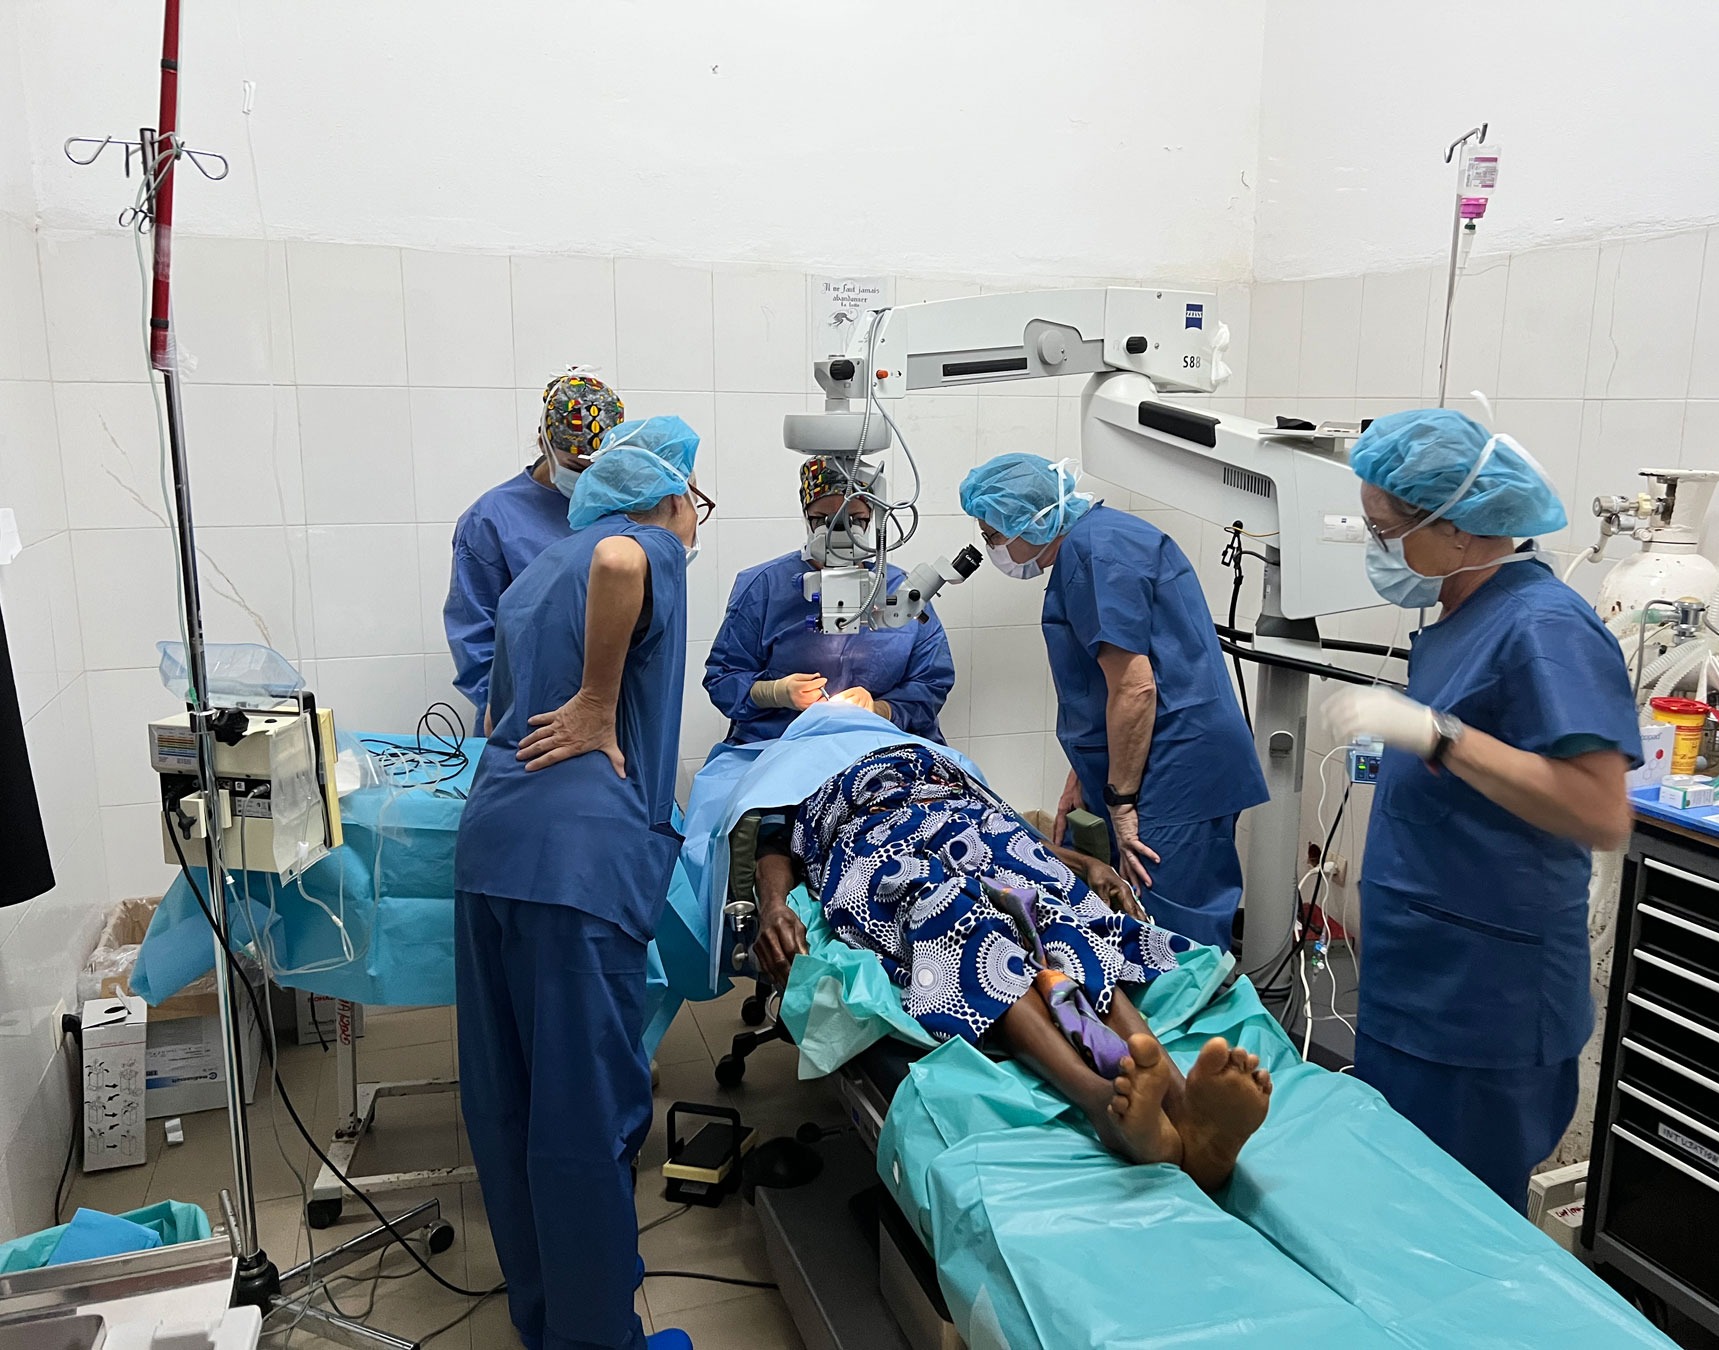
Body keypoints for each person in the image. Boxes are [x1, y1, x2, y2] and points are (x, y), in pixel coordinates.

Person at [1322, 408, 1640, 1215]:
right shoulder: (1462, 613)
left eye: (1386, 531)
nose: (1379, 549)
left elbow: (1602, 812)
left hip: (1483, 1006)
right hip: (1418, 986)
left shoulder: (1544, 626)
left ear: (1459, 529)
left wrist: (1441, 736)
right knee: (1400, 1206)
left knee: (1459, 1229)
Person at [453, 416, 708, 1350]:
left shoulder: (532, 577)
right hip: (577, 868)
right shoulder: (641, 543)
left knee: (509, 1103)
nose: (696, 522)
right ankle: (599, 1338)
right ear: (668, 496)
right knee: (582, 1114)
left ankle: (545, 1319)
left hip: (493, 853)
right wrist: (601, 701)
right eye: (698, 502)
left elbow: (498, 706)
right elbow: (622, 563)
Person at [751, 739, 1272, 1191]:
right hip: (871, 840)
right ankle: (1102, 1102)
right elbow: (771, 846)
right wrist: (774, 907)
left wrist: (1082, 862)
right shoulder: (793, 759)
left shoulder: (922, 747)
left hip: (968, 821)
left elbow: (1006, 819)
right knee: (948, 911)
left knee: (1049, 903)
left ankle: (1182, 1103)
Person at [958, 453, 1268, 952]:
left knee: (1170, 934)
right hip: (1160, 752)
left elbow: (1135, 689)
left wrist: (1121, 805)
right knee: (1129, 916)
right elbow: (1106, 687)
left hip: (1176, 762)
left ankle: (1194, 1006)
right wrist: (1083, 774)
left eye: (993, 535)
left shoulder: (1094, 556)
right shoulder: (1102, 539)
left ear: (1030, 520)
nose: (993, 548)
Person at [705, 457, 956, 743]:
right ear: (806, 517)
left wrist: (881, 710)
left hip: (884, 744)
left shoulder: (900, 590)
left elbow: (931, 682)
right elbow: (723, 679)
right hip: (780, 746)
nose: (840, 532)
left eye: (855, 519)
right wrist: (774, 692)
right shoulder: (763, 587)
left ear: (872, 518)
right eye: (822, 520)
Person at [445, 368, 626, 723]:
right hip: (526, 715)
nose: (587, 477)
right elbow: (474, 632)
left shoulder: (621, 507)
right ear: (544, 443)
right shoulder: (492, 518)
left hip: (609, 710)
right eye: (575, 466)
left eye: (598, 466)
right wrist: (501, 709)